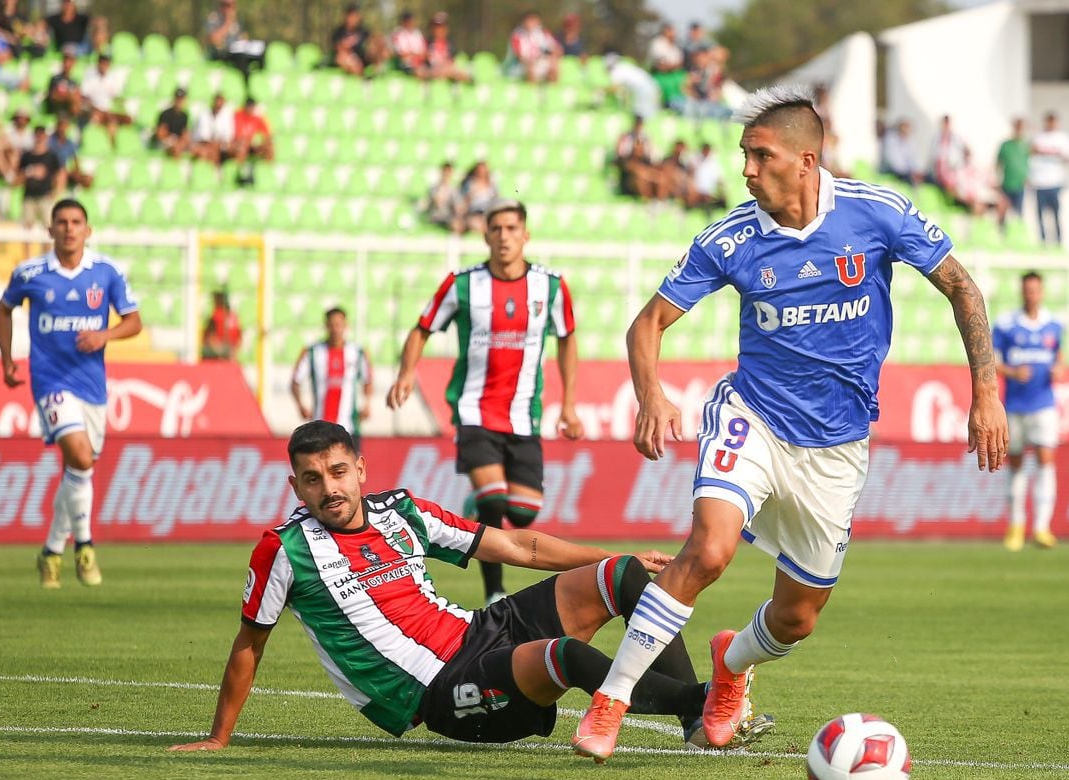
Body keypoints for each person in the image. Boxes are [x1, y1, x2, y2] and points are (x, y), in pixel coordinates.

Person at [570, 85, 1007, 763]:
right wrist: (650, 394)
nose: (746, 169)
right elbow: (647, 323)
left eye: (759, 155)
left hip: (837, 447)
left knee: (797, 618)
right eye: (744, 155)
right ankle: (611, 700)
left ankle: (733, 661)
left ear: (805, 160)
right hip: (752, 417)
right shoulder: (732, 236)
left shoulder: (876, 212)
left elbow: (961, 286)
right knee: (707, 551)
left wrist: (985, 392)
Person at [168, 421, 771, 752]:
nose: (329, 488)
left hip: (483, 630)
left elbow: (519, 545)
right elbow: (251, 642)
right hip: (444, 690)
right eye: (312, 479)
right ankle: (707, 700)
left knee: (633, 579)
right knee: (565, 658)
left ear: (360, 469)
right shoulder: (285, 550)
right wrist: (220, 737)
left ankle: (698, 720)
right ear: (296, 488)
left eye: (338, 471)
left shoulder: (399, 509)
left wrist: (620, 553)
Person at [387, 200, 585, 607]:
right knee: (494, 500)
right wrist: (407, 373)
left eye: (512, 228)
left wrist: (568, 405)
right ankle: (495, 590)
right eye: (496, 229)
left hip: (524, 416)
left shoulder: (550, 286)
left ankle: (476, 501)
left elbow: (566, 340)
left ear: (525, 235)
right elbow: (422, 328)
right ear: (485, 235)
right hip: (475, 410)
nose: (504, 236)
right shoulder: (462, 283)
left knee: (525, 512)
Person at [0, 199, 142, 588]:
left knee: (79, 468)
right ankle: (85, 547)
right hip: (50, 381)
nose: (69, 228)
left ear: (87, 230)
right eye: (61, 222)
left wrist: (104, 334)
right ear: (50, 230)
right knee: (78, 455)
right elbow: (4, 310)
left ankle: (49, 552)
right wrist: (8, 359)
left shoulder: (106, 272)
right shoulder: (30, 273)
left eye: (76, 222)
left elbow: (134, 321)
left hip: (92, 385)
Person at [993, 272, 1063, 551]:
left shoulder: (1054, 326)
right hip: (1015, 405)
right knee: (1017, 463)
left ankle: (1042, 528)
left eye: (1035, 290)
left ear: (1041, 292)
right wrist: (1012, 371)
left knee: (1046, 460)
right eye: (1027, 290)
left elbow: (1060, 357)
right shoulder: (1007, 325)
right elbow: (992, 362)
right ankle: (1016, 526)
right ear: (1022, 292)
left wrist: (1060, 369)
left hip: (1044, 403)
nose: (1031, 295)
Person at [291, 307, 373, 448]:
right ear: (326, 326)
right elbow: (295, 381)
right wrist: (300, 405)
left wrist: (367, 404)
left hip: (349, 427)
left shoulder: (357, 352)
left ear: (345, 326)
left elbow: (368, 381)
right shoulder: (313, 352)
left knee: (350, 467)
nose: (335, 329)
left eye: (339, 324)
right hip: (320, 426)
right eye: (332, 325)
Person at [1029, 111, 1069, 245]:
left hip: (1055, 182)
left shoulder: (1063, 138)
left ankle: (1059, 240)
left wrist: (1057, 154)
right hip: (1039, 182)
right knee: (1040, 215)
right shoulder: (1038, 137)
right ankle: (1043, 241)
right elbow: (1029, 154)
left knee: (1056, 213)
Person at [79, 52, 132, 147]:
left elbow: (117, 98)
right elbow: (84, 97)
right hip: (94, 111)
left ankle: (112, 147)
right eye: (103, 62)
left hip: (108, 112)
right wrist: (96, 109)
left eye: (107, 63)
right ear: (98, 63)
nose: (105, 65)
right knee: (97, 118)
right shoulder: (90, 77)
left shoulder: (112, 78)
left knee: (118, 121)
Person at [17, 125, 64, 228]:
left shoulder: (52, 156)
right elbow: (18, 177)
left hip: (45, 196)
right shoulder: (26, 156)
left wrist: (56, 192)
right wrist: (29, 172)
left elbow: (60, 175)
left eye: (42, 135)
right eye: (37, 135)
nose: (40, 138)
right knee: (27, 228)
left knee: (48, 229)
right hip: (29, 196)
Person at [505, 10, 559, 84]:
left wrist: (552, 58)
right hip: (520, 65)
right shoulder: (517, 35)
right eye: (529, 20)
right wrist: (531, 61)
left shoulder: (543, 33)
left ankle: (552, 92)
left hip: (539, 62)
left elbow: (557, 49)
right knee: (531, 68)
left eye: (533, 20)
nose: (530, 23)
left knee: (553, 67)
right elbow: (519, 57)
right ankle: (532, 93)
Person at [995, 117, 1029, 230]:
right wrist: (997, 180)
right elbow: (998, 163)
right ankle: (1002, 233)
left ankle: (1016, 234)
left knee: (1018, 212)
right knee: (1002, 211)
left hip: (1020, 184)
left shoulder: (1027, 145)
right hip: (1006, 183)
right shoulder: (1006, 145)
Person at [191, 92, 235, 166]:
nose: (219, 105)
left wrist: (220, 143)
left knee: (237, 149)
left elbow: (228, 135)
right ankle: (215, 172)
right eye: (217, 103)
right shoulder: (203, 114)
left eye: (221, 103)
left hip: (218, 144)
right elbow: (204, 137)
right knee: (209, 151)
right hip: (201, 143)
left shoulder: (226, 115)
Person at [423, 160, 467, 232]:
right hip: (437, 216)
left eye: (449, 172)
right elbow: (438, 203)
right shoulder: (435, 188)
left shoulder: (454, 189)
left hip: (448, 216)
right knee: (455, 224)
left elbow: (458, 206)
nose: (447, 174)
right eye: (445, 172)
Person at [48, 117, 90, 190]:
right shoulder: (50, 141)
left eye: (65, 126)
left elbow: (75, 157)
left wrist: (77, 170)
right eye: (61, 126)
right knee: (61, 174)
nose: (62, 129)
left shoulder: (70, 143)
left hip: (66, 170)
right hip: (53, 169)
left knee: (86, 178)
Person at [879, 119, 922, 186]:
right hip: (890, 171)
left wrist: (916, 171)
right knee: (909, 180)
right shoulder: (891, 139)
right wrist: (908, 172)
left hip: (904, 171)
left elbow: (913, 159)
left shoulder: (909, 141)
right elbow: (893, 161)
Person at [201, 289, 241, 359]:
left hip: (217, 355)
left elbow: (210, 336)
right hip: (230, 354)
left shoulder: (217, 315)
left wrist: (219, 351)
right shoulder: (234, 316)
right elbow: (239, 336)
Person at [153, 88, 191, 159]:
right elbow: (160, 133)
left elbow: (185, 134)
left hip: (177, 142)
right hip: (164, 142)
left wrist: (180, 142)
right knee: (176, 148)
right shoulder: (165, 114)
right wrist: (172, 139)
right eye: (178, 98)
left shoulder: (184, 116)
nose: (179, 101)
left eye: (181, 99)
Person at [390, 11, 428, 78]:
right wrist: (415, 54)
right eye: (407, 21)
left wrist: (413, 54)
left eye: (411, 20)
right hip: (406, 66)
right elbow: (401, 54)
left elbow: (424, 53)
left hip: (420, 64)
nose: (410, 23)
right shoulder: (398, 34)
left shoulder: (418, 33)